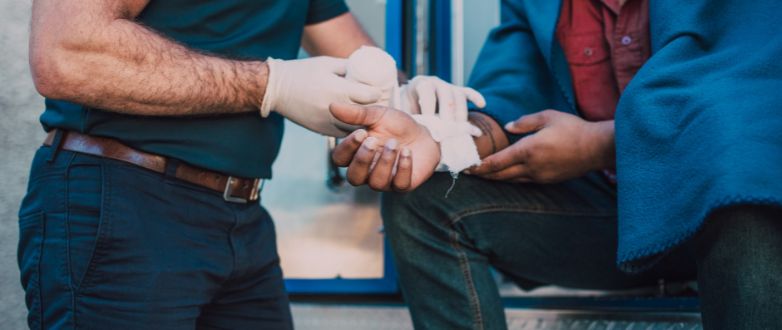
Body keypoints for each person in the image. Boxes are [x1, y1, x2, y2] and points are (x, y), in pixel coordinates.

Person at [330, 0, 782, 329]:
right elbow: (508, 100)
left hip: (729, 212)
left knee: (748, 193)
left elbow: (761, 104)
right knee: (426, 201)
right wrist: (442, 138)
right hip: (613, 223)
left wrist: (600, 145)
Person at [18, 1, 482, 328]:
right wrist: (270, 85)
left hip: (242, 221)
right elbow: (66, 52)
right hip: (124, 203)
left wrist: (411, 102)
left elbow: (364, 74)